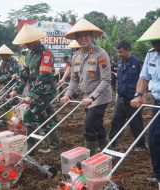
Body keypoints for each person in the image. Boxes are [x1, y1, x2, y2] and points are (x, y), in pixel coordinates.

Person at [61, 18, 112, 155]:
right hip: (86, 97)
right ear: (76, 39)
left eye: (86, 35)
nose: (83, 38)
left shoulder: (101, 55)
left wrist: (92, 97)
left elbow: (106, 80)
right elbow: (74, 79)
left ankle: (88, 158)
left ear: (91, 36)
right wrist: (67, 94)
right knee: (97, 126)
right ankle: (107, 153)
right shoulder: (76, 57)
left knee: (88, 127)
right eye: (79, 36)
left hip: (100, 97)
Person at [10, 23, 60, 153]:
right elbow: (25, 74)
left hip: (45, 90)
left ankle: (30, 147)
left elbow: (43, 76)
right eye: (25, 42)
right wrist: (17, 89)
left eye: (30, 42)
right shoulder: (28, 54)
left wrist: (31, 94)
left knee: (28, 115)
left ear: (37, 40)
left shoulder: (46, 54)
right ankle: (54, 144)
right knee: (46, 116)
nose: (27, 44)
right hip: (35, 90)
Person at [130, 17, 160, 184]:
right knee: (155, 139)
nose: (156, 45)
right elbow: (144, 77)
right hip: (157, 103)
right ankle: (158, 174)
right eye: (154, 42)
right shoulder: (151, 54)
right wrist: (138, 94)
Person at [109, 40, 146, 151]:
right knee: (115, 121)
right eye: (118, 52)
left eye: (121, 52)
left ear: (128, 50)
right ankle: (111, 143)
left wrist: (142, 96)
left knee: (136, 123)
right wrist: (117, 94)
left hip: (133, 100)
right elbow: (119, 80)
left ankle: (141, 145)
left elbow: (144, 80)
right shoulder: (119, 63)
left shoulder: (138, 62)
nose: (119, 54)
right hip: (121, 99)